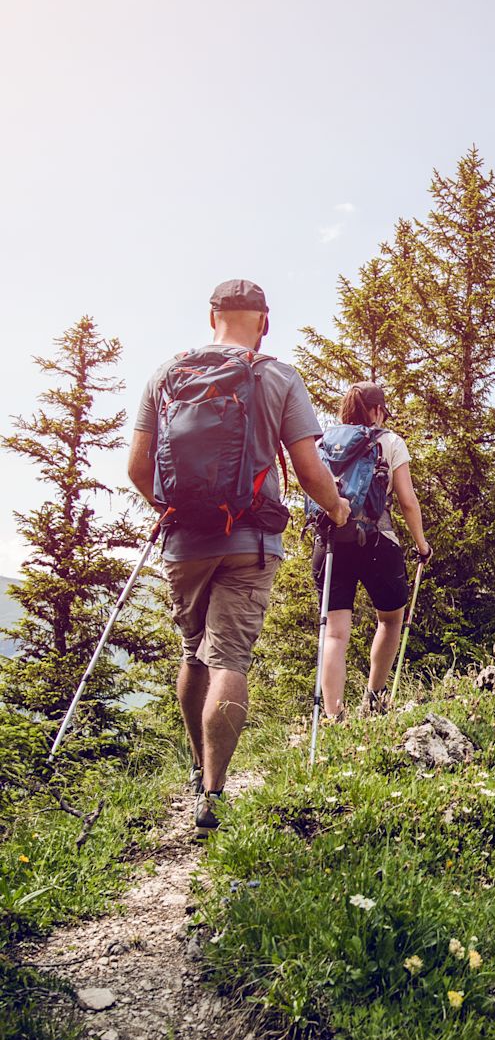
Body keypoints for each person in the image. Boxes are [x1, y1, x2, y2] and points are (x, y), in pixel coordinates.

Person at [128, 278, 350, 836]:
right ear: (265, 321)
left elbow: (137, 467)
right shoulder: (277, 375)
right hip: (250, 542)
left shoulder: (166, 373)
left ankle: (195, 767)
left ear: (211, 318)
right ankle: (213, 794)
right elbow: (308, 470)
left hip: (184, 541)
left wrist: (176, 507)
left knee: (192, 652)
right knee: (230, 658)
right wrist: (339, 508)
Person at [314, 382, 432, 719]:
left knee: (335, 632)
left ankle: (334, 715)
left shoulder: (324, 441)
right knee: (391, 619)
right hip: (377, 540)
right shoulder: (389, 441)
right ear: (378, 410)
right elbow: (408, 502)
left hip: (330, 542)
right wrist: (422, 546)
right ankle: (376, 696)